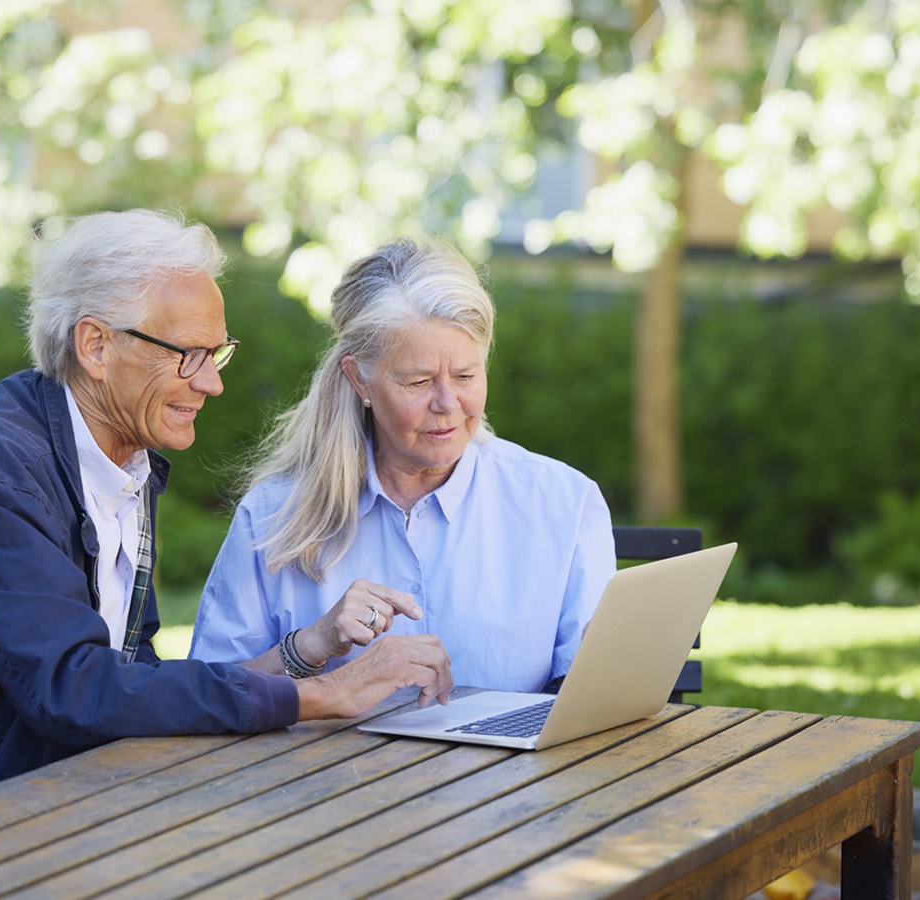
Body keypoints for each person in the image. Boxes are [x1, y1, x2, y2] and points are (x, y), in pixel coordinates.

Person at [0, 210, 451, 849]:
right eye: (189, 354)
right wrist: (322, 695)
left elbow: (130, 688)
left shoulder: (120, 460)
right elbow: (73, 689)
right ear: (96, 346)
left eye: (216, 353)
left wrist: (306, 649)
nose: (212, 382)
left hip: (19, 811)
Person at [189, 237, 616, 693]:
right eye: (419, 380)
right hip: (330, 767)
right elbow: (207, 695)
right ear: (359, 379)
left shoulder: (562, 502)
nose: (448, 403)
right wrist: (312, 644)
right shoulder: (273, 514)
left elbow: (597, 695)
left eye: (466, 376)